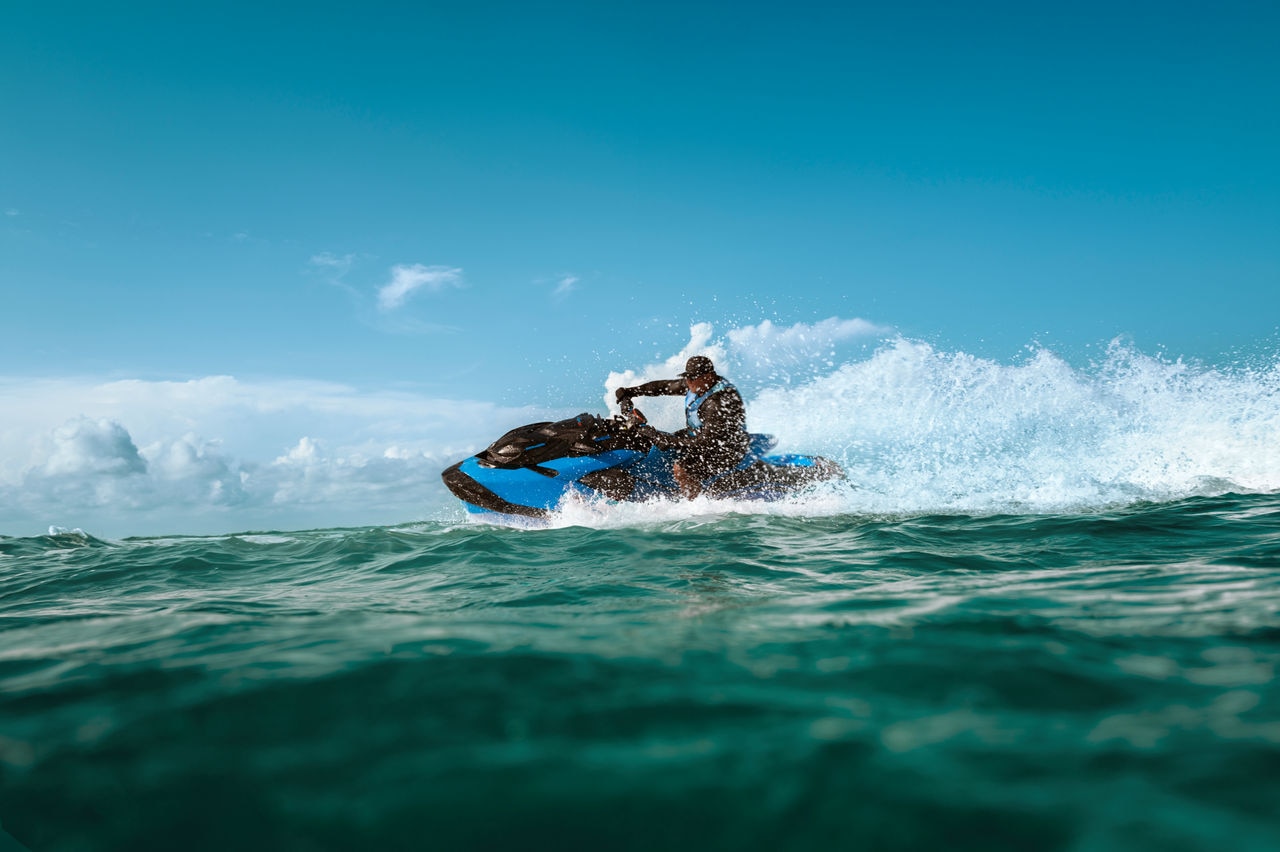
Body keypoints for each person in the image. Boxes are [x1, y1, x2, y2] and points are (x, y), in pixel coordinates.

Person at [615, 355, 750, 499]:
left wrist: (665, 439)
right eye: (687, 377)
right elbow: (662, 387)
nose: (688, 381)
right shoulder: (698, 384)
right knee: (658, 444)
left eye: (692, 378)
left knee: (681, 468)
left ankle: (695, 503)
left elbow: (705, 443)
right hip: (698, 436)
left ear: (708, 376)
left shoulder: (718, 401)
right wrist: (630, 392)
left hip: (727, 448)